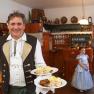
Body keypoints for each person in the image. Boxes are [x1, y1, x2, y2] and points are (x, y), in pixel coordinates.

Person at [0, 11, 46, 94]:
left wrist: (43, 82)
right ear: (8, 25)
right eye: (12, 24)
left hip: (29, 87)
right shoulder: (1, 41)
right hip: (8, 88)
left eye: (19, 24)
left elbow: (40, 64)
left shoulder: (34, 41)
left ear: (24, 26)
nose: (16, 27)